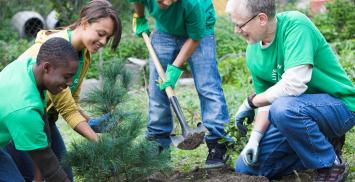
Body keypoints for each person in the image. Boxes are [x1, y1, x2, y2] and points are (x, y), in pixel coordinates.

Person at [226, 0, 355, 181]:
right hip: (295, 114)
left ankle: (329, 164)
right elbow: (266, 104)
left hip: (339, 107)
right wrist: (254, 139)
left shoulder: (296, 25)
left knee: (283, 108)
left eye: (239, 25)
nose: (236, 31)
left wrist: (250, 102)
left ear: (261, 18)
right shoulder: (253, 51)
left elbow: (294, 84)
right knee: (247, 166)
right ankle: (322, 144)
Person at [6, 0, 122, 181]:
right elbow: (68, 110)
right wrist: (101, 145)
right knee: (37, 174)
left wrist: (89, 121)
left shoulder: (83, 54)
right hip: (20, 123)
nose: (103, 42)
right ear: (84, 23)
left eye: (108, 38)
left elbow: (71, 101)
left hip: (44, 119)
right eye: (101, 34)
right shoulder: (54, 53)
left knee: (64, 173)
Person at [128, 0, 230, 168]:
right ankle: (158, 143)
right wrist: (139, 17)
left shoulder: (193, 3)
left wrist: (175, 68)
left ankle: (217, 145)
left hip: (200, 32)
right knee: (157, 88)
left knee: (208, 86)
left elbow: (195, 37)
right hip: (164, 31)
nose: (166, 2)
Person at [0, 37, 79, 182]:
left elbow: (43, 131)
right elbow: (49, 166)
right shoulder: (24, 109)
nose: (69, 83)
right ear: (47, 68)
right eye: (66, 76)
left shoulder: (27, 67)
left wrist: (38, 179)